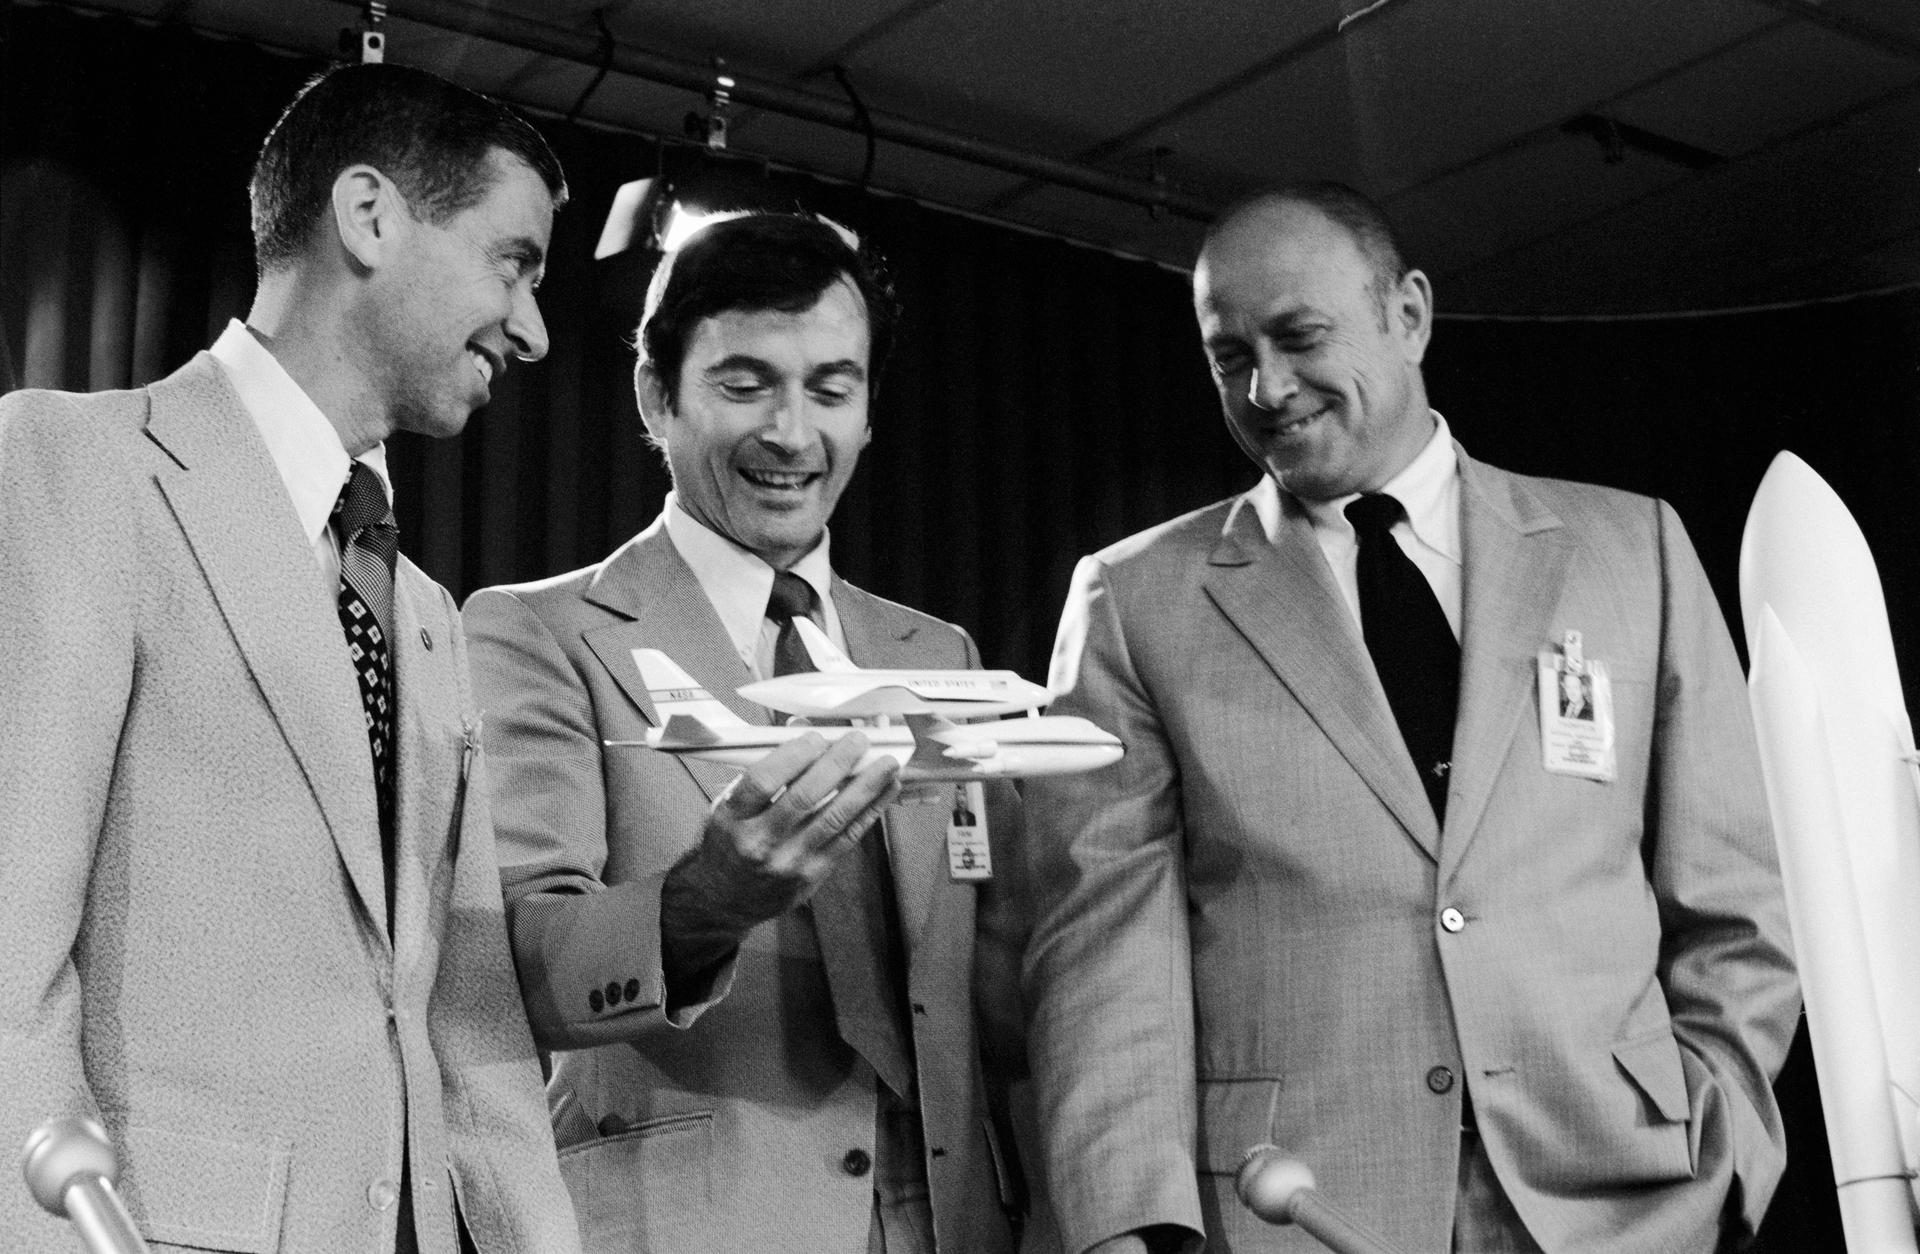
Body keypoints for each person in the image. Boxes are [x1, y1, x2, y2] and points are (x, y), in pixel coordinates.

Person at [1020, 184, 1799, 1254]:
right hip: (1295, 1210)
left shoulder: (1636, 550)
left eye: (1299, 337)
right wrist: (1125, 1226)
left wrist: (1729, 1150)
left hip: (1632, 1203)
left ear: (1411, 315)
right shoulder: (1138, 597)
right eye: (1227, 355)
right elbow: (1101, 955)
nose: (1266, 386)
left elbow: (1740, 905)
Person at [0, 64, 580, 1254]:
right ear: (370, 216)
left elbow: (469, 1030)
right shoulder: (77, 468)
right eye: (513, 262)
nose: (533, 327)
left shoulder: (425, 611)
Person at [463, 211, 1034, 1253]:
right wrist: (703, 902)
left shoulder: (939, 656)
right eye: (744, 385)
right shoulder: (536, 633)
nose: (791, 433)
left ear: (868, 411)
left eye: (830, 389)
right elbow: (511, 966)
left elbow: (1000, 972)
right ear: (656, 396)